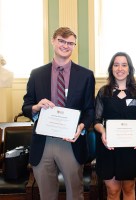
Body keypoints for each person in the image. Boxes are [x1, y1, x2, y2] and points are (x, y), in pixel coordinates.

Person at [22, 27, 95, 200]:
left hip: (71, 142)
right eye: (62, 41)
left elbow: (89, 109)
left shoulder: (86, 75)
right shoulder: (37, 74)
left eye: (70, 43)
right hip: (43, 141)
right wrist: (36, 107)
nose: (66, 45)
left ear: (74, 46)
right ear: (53, 41)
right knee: (46, 195)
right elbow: (26, 105)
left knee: (75, 194)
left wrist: (82, 127)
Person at [94, 52, 136, 199]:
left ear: (129, 69)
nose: (120, 68)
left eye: (124, 65)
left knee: (129, 188)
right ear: (111, 68)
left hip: (130, 147)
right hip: (108, 147)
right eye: (116, 65)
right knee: (113, 190)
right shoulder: (104, 92)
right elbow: (96, 121)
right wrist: (103, 132)